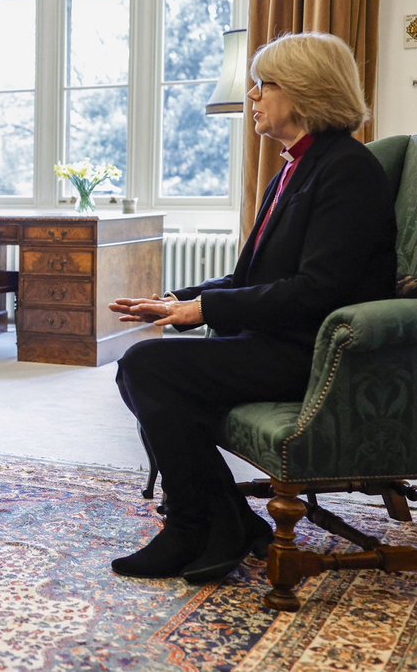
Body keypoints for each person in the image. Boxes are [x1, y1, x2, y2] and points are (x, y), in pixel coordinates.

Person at [107, 32, 397, 583]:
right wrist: (182, 300)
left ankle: (200, 525)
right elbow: (251, 277)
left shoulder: (347, 170)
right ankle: (226, 523)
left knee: (146, 369)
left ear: (304, 91)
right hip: (276, 342)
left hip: (315, 352)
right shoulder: (295, 168)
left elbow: (319, 289)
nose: (253, 97)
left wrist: (208, 311)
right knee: (144, 370)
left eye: (264, 85)